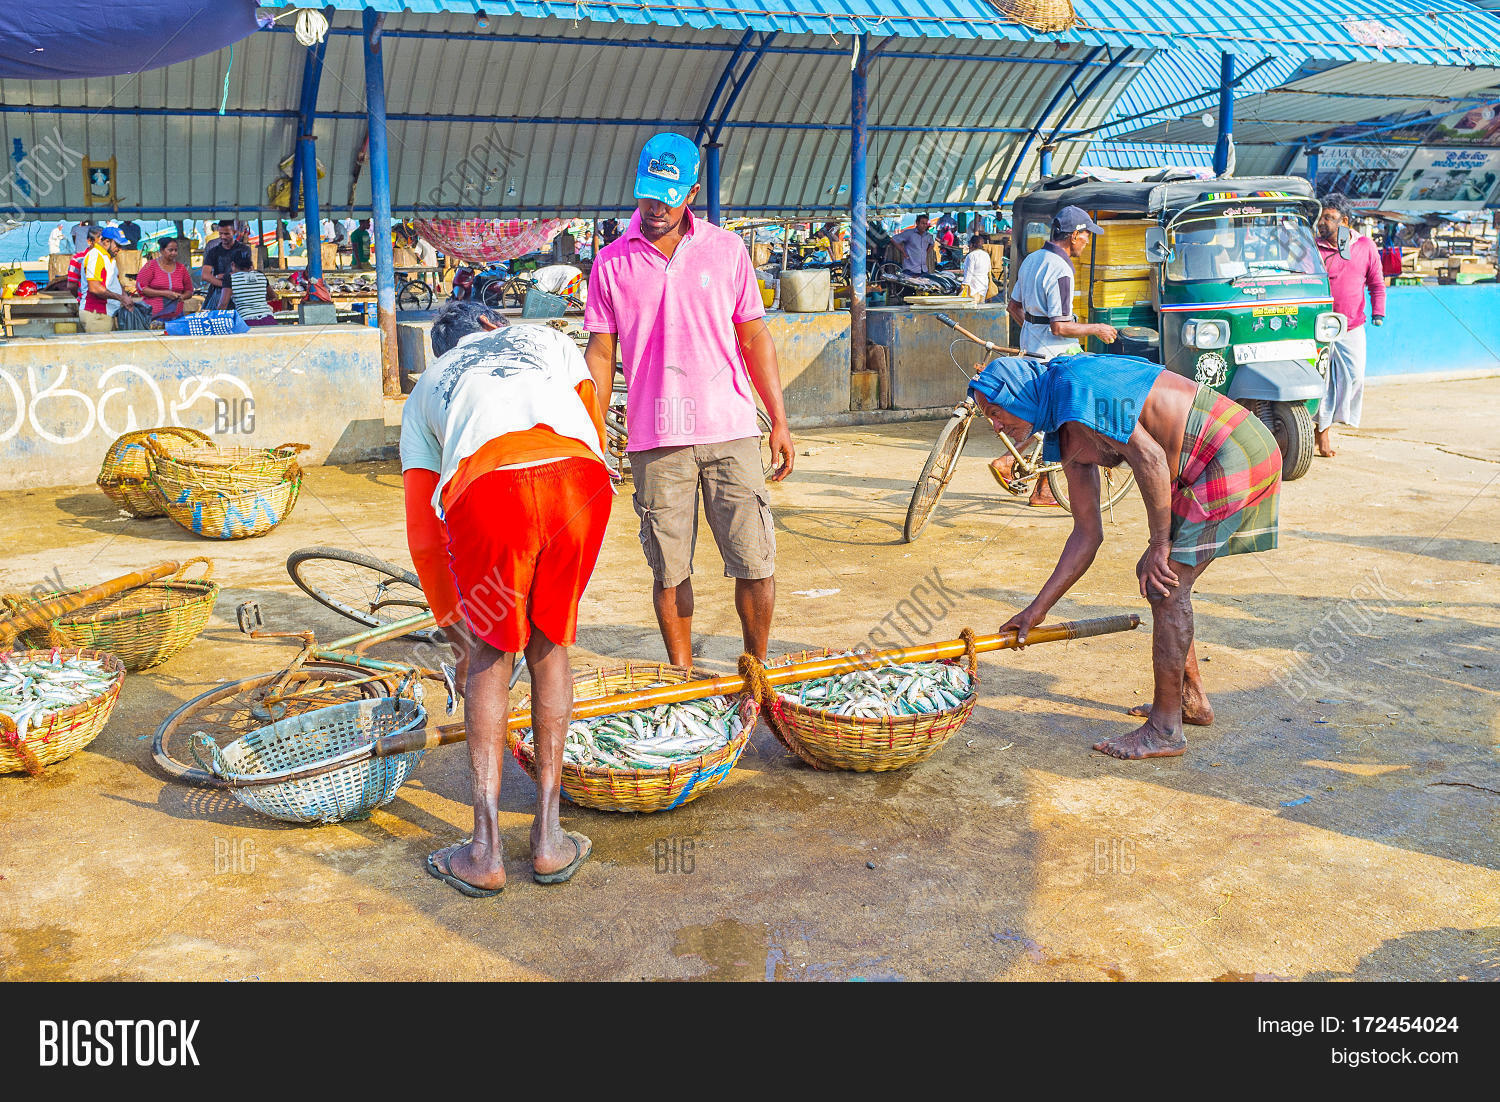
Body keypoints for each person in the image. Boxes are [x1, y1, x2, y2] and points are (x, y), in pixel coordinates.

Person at [971, 353, 1282, 759]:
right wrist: (1036, 610)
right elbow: (1087, 533)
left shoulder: (1074, 389)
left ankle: (1165, 730)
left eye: (996, 413)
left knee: (1165, 585)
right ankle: (1189, 701)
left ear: (1019, 395)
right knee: (1158, 579)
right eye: (989, 420)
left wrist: (1160, 544)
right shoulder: (1061, 425)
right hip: (1212, 459)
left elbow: (1150, 457)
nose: (996, 427)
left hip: (1232, 449)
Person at [402, 300, 612, 895]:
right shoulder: (546, 339)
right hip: (581, 480)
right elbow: (591, 418)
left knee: (491, 657)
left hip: (492, 491)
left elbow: (425, 537)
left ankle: (485, 850)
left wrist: (458, 634)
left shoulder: (428, 388)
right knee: (550, 643)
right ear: (492, 323)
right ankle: (549, 838)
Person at [584, 132, 795, 667]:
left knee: (755, 561)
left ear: (692, 193)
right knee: (670, 570)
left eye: (668, 197)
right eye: (647, 195)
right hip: (656, 439)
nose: (655, 208)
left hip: (731, 429)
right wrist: (591, 435)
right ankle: (683, 679)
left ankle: (756, 668)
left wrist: (778, 419)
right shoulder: (610, 263)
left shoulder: (727, 251)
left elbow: (754, 337)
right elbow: (602, 355)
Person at [999, 206, 1120, 506]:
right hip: (1056, 356)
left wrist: (1033, 331)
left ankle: (1042, 486)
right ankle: (1012, 464)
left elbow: (1013, 307)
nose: (1088, 241)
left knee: (1050, 417)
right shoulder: (1061, 269)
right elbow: (1060, 326)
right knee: (1066, 415)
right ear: (1074, 235)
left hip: (1031, 350)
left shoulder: (1032, 260)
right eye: (1086, 235)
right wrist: (1097, 329)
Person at [1313, 192, 1385, 459]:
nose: (1322, 222)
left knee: (1354, 377)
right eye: (1321, 217)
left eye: (1329, 218)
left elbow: (1376, 283)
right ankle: (1322, 431)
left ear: (1344, 221)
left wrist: (1378, 311)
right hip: (1318, 328)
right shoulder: (1313, 248)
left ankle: (1328, 423)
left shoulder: (1365, 246)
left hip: (1352, 326)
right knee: (1321, 381)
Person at [80, 227, 140, 332]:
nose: (120, 249)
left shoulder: (109, 257)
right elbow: (94, 288)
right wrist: (121, 298)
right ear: (106, 242)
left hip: (106, 313)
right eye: (118, 245)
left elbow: (115, 281)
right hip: (96, 313)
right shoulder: (95, 256)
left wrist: (124, 296)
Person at [134, 237, 195, 322]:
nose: (174, 253)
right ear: (162, 250)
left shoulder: (181, 268)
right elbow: (141, 288)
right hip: (155, 316)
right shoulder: (151, 266)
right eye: (170, 250)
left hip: (176, 315)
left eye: (176, 250)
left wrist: (182, 297)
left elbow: (189, 290)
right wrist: (165, 293)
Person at [200, 219, 251, 310]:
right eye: (221, 234)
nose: (223, 237)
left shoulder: (244, 250)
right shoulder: (213, 251)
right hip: (218, 293)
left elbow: (249, 271)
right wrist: (225, 284)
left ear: (234, 232)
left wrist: (222, 277)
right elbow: (205, 275)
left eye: (226, 234)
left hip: (239, 293)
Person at [226, 254, 276, 326]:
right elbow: (272, 296)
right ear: (250, 265)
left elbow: (223, 303)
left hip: (246, 321)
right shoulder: (261, 275)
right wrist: (257, 299)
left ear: (233, 264)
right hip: (268, 319)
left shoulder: (231, 278)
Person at [65, 224, 101, 298]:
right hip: (87, 301)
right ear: (89, 241)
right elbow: (71, 286)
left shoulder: (107, 258)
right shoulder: (78, 259)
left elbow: (72, 286)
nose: (102, 245)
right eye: (99, 243)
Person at [962, 234, 991, 303]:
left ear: (972, 244)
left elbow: (968, 275)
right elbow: (988, 270)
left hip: (973, 289)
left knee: (972, 307)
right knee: (981, 306)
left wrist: (962, 287)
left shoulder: (971, 256)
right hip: (983, 287)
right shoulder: (986, 255)